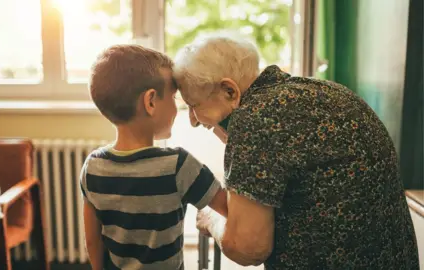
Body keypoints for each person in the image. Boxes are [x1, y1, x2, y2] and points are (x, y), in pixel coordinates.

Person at [173, 33, 420, 269]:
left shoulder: (254, 118)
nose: (193, 120)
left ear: (230, 91)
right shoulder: (326, 91)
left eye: (194, 105)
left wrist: (212, 220)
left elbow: (247, 248)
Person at [80, 45, 227, 269]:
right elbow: (229, 207)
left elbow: (92, 239)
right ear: (150, 102)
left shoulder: (93, 167)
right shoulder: (178, 165)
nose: (178, 107)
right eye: (174, 96)